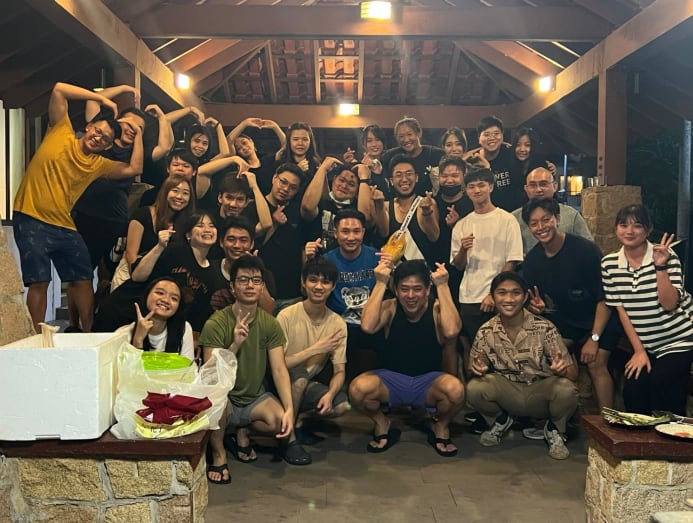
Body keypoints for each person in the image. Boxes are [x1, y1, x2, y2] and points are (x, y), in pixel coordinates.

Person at [12, 81, 143, 332]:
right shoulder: (61, 131)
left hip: (64, 224)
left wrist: (137, 134)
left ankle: (87, 331)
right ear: (89, 126)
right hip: (30, 216)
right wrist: (102, 99)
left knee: (83, 277)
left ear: (108, 146)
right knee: (40, 280)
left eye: (105, 139)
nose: (98, 138)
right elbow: (59, 89)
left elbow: (134, 168)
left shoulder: (98, 164)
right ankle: (35, 336)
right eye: (98, 131)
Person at [67, 89, 174, 332]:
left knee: (104, 276)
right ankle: (75, 326)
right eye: (129, 124)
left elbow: (165, 146)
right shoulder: (102, 141)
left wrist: (160, 116)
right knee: (78, 274)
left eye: (139, 128)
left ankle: (94, 325)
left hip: (113, 222)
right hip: (83, 214)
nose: (132, 129)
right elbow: (92, 100)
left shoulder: (137, 153)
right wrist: (123, 91)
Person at [349, 259, 464, 457]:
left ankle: (441, 426)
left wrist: (443, 286)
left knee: (455, 390)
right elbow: (367, 326)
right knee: (358, 390)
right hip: (391, 381)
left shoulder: (437, 309)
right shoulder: (390, 307)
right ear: (396, 289)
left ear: (427, 290)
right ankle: (382, 423)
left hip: (428, 382)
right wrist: (380, 283)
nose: (410, 296)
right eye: (404, 289)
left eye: (417, 289)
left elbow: (452, 331)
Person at [199, 255, 294, 484]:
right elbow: (210, 375)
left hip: (254, 397)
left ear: (262, 287)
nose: (250, 285)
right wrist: (235, 344)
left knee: (280, 421)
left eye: (256, 280)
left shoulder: (270, 323)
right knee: (216, 404)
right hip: (225, 398)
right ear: (232, 287)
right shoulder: (216, 322)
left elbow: (279, 369)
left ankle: (243, 430)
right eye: (243, 280)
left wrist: (290, 408)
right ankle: (219, 453)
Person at [467, 272, 578, 460]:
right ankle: (501, 421)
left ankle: (554, 429)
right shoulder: (486, 331)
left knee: (566, 389)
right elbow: (472, 367)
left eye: (516, 293)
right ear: (493, 297)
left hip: (540, 392)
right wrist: (476, 369)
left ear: (525, 296)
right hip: (508, 392)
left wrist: (562, 370)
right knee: (475, 387)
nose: (509, 299)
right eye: (502, 293)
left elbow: (573, 374)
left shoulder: (544, 327)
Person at [521, 198, 618, 411]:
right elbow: (533, 302)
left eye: (546, 220)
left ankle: (607, 420)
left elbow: (605, 299)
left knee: (595, 363)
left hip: (600, 319)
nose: (541, 227)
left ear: (557, 219)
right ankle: (561, 416)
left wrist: (594, 339)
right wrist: (536, 308)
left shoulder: (585, 250)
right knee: (542, 355)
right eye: (534, 223)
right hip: (567, 321)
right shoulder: (533, 261)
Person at [601, 204, 693, 415]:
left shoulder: (666, 255)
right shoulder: (609, 264)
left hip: (679, 339)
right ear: (616, 229)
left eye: (637, 225)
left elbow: (669, 304)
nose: (629, 231)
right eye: (623, 225)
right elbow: (621, 310)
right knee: (633, 390)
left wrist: (660, 266)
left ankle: (673, 435)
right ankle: (641, 437)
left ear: (648, 229)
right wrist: (639, 351)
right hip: (647, 346)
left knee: (664, 384)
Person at [276, 257, 349, 465]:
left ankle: (299, 420)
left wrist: (330, 395)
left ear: (333, 286)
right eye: (313, 280)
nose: (318, 286)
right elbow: (278, 365)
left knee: (343, 405)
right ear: (303, 282)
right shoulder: (286, 316)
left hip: (305, 383)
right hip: (278, 381)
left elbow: (340, 371)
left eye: (325, 282)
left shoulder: (337, 323)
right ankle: (289, 441)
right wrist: (316, 349)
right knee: (299, 376)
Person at [450, 167, 523, 356]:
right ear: (466, 191)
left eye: (481, 185)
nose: (477, 190)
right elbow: (458, 265)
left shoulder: (507, 220)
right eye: (471, 186)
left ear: (490, 187)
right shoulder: (461, 224)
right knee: (475, 352)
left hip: (499, 299)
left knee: (503, 352)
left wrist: (494, 293)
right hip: (469, 297)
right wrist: (463, 249)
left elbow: (512, 261)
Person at [305, 209, 381, 380]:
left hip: (370, 326)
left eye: (356, 231)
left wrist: (390, 269)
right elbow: (308, 292)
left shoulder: (377, 257)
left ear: (363, 232)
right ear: (335, 233)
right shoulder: (326, 260)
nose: (351, 237)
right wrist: (309, 261)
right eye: (345, 231)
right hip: (337, 326)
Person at [257, 163, 308, 310]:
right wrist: (274, 223)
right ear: (274, 178)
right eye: (283, 182)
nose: (286, 189)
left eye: (293, 187)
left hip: (292, 293)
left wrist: (304, 279)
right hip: (261, 291)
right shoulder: (257, 206)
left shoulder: (298, 211)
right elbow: (253, 244)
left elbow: (303, 248)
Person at [374, 155, 439, 267]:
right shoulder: (385, 206)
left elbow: (434, 237)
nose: (404, 179)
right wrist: (379, 205)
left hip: (422, 272)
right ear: (391, 181)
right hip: (395, 273)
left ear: (416, 178)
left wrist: (427, 213)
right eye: (398, 175)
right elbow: (383, 233)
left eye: (409, 174)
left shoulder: (427, 203)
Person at [511, 166, 592, 256]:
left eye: (543, 184)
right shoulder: (513, 218)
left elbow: (588, 248)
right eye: (533, 185)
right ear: (526, 189)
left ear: (554, 186)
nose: (538, 189)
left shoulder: (571, 215)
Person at [300, 158, 372, 252]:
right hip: (318, 259)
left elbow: (365, 218)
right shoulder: (320, 203)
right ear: (334, 179)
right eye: (341, 180)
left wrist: (364, 179)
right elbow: (307, 207)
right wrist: (323, 168)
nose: (344, 186)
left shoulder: (357, 209)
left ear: (358, 189)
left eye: (351, 184)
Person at [116, 277, 195, 361]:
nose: (166, 300)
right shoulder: (123, 334)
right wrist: (138, 340)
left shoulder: (184, 328)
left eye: (174, 298)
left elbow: (188, 366)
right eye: (160, 293)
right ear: (147, 295)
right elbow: (127, 368)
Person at [212, 216, 276, 314]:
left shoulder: (264, 274)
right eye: (231, 239)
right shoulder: (210, 269)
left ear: (252, 244)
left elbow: (268, 312)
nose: (237, 245)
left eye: (243, 240)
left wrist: (255, 272)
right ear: (221, 242)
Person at [434, 155, 473, 308]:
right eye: (444, 176)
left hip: (465, 270)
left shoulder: (472, 203)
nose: (449, 180)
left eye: (455, 176)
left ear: (464, 176)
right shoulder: (432, 202)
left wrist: (457, 226)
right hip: (437, 266)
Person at [463, 116, 522, 211]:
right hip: (484, 212)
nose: (492, 138)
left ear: (502, 136)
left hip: (511, 212)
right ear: (479, 138)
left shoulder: (511, 154)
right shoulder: (472, 160)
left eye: (496, 133)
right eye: (486, 134)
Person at [380, 116, 444, 195]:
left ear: (419, 133)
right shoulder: (389, 157)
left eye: (409, 134)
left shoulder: (436, 155)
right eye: (401, 136)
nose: (406, 140)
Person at [344, 124, 390, 199]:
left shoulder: (389, 165)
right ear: (364, 145)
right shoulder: (358, 168)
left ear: (383, 142)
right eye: (369, 141)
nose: (374, 144)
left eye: (378, 139)